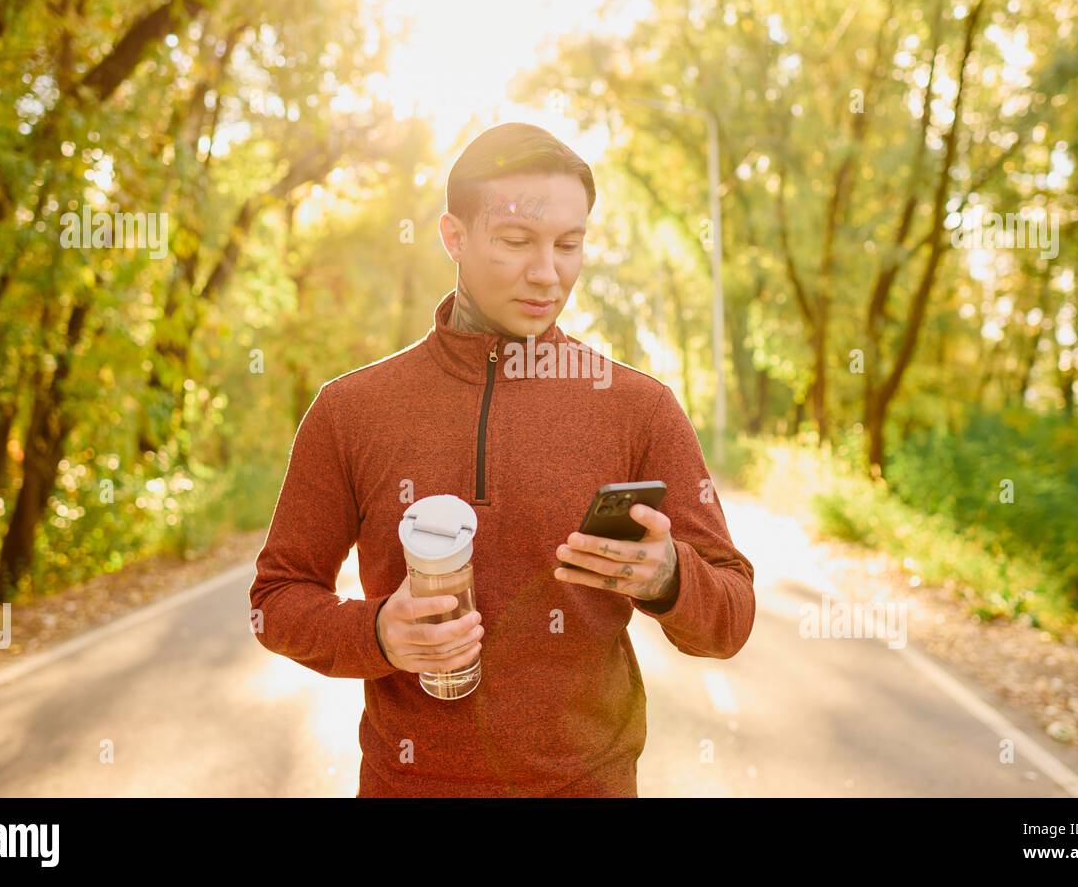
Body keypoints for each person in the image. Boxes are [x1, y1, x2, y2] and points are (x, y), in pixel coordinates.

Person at [248, 121, 755, 797]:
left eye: (568, 245)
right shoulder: (351, 408)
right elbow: (276, 600)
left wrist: (668, 576)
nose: (547, 273)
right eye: (517, 241)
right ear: (454, 236)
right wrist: (377, 631)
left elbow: (733, 613)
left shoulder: (640, 407)